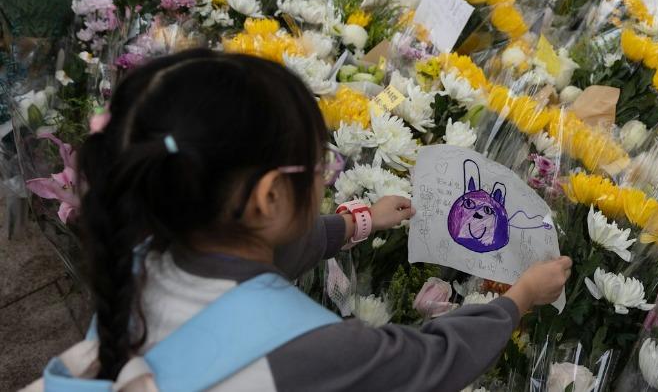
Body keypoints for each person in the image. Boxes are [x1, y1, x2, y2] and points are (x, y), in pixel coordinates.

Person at [26, 50, 571, 391]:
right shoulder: (313, 351)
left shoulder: (141, 254)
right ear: (268, 197)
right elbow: (434, 361)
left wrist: (358, 223)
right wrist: (518, 297)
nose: (324, 177)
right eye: (318, 166)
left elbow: (257, 252)